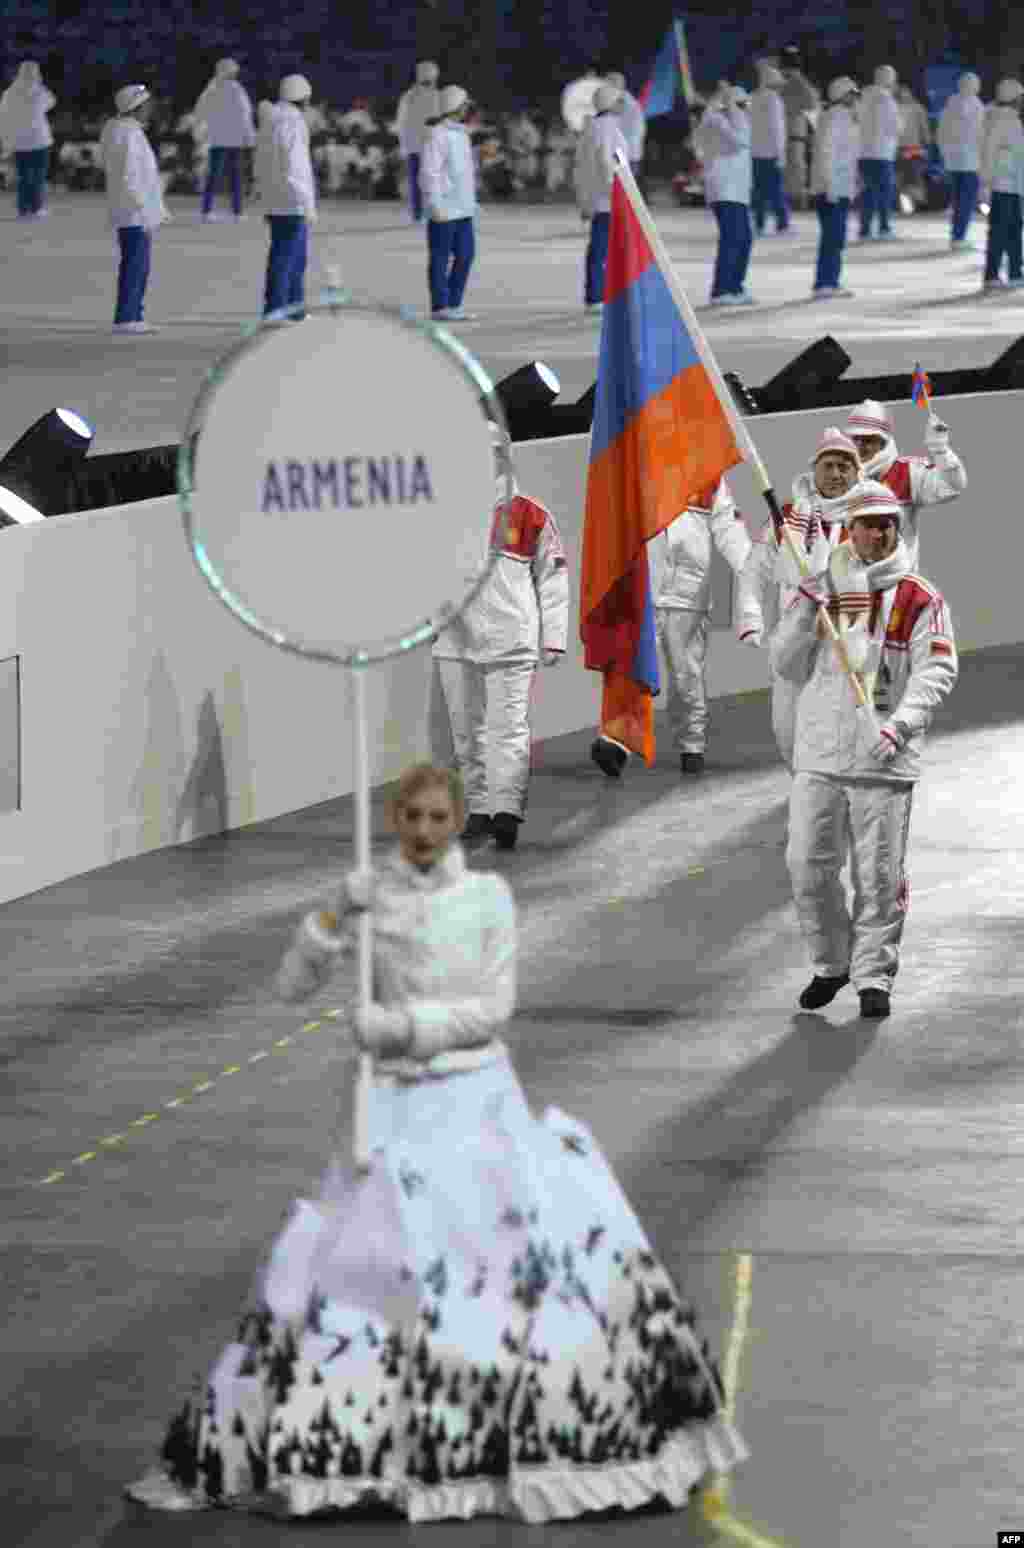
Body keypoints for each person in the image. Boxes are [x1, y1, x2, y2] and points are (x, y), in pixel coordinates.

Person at [125, 759, 748, 1519]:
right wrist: (328, 921)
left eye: (437, 819)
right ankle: (362, 1444)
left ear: (456, 823)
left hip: (478, 1103)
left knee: (494, 1279)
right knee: (369, 1280)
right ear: (395, 819)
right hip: (391, 1111)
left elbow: (493, 1008)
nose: (423, 832)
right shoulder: (369, 897)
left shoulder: (488, 898)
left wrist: (398, 1028)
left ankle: (493, 1443)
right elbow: (290, 987)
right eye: (411, 818)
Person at [771, 481, 958, 1020]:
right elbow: (784, 665)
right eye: (866, 523)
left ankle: (874, 973)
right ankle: (832, 963)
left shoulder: (920, 596)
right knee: (806, 864)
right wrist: (804, 615)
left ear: (897, 529)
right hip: (821, 756)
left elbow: (937, 669)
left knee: (877, 875)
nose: (876, 533)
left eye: (886, 523)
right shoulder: (821, 586)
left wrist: (900, 726)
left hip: (882, 757)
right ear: (847, 528)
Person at [432, 430, 569, 850]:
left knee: (508, 729)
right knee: (465, 731)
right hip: (455, 639)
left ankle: (506, 809)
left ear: (504, 456)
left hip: (512, 637)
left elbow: (554, 576)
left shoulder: (531, 513)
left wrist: (554, 637)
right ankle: (477, 808)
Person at [735, 427, 863, 769]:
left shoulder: (871, 518)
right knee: (789, 733)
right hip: (792, 643)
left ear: (857, 471)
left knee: (845, 733)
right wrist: (750, 616)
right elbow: (754, 571)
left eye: (844, 466)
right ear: (815, 470)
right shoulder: (787, 517)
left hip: (845, 644)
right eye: (829, 466)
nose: (836, 474)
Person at [646, 476, 751, 775]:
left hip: (689, 592)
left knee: (686, 676)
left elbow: (728, 526)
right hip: (644, 586)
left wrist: (747, 565)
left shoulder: (710, 473)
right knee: (631, 669)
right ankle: (619, 740)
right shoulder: (639, 461)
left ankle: (691, 744)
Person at [843, 399, 967, 568]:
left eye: (868, 440)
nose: (859, 446)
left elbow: (951, 486)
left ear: (884, 441)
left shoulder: (906, 472)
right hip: (849, 585)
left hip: (897, 585)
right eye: (855, 439)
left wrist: (940, 450)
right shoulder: (837, 476)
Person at [99, 83, 169, 335]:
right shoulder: (128, 134)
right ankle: (129, 316)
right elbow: (131, 176)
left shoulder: (119, 130)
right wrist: (144, 206)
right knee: (136, 264)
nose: (150, 109)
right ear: (136, 107)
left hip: (130, 208)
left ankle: (131, 314)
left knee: (135, 262)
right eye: (146, 105)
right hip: (134, 211)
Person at [261, 74, 317, 321]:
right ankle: (277, 310)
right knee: (287, 258)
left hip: (277, 199)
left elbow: (260, 161)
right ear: (302, 98)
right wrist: (306, 203)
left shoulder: (271, 121)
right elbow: (296, 168)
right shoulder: (292, 123)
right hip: (291, 201)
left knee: (291, 257)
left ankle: (294, 309)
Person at [421, 85, 478, 322]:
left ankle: (454, 303)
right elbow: (429, 172)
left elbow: (463, 173)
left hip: (463, 208)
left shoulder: (462, 133)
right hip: (443, 208)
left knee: (466, 255)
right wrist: (434, 203)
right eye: (465, 105)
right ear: (456, 107)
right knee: (440, 258)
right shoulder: (437, 135)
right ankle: (440, 306)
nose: (468, 109)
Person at [696, 82, 754, 306]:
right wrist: (732, 111)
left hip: (737, 190)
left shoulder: (729, 122)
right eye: (742, 104)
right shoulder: (718, 122)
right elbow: (740, 142)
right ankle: (722, 290)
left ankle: (735, 286)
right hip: (724, 189)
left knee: (744, 238)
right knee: (732, 239)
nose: (745, 108)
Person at [573, 82, 628, 314]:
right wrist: (616, 189)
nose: (623, 105)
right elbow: (607, 162)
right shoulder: (606, 127)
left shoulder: (595, 126)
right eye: (619, 101)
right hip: (608, 199)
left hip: (600, 198)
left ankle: (597, 294)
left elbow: (582, 167)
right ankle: (597, 296)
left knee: (601, 247)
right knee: (603, 248)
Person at [810, 76, 860, 299]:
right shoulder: (837, 118)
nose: (855, 98)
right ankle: (826, 283)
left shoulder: (837, 117)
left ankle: (828, 281)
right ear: (843, 95)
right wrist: (830, 185)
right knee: (833, 237)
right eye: (852, 94)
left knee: (834, 237)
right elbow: (827, 153)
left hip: (834, 186)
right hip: (833, 188)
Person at [193, 57, 255, 221]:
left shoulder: (211, 89)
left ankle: (206, 211)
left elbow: (200, 111)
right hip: (234, 138)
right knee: (236, 176)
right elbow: (245, 113)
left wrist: (200, 133)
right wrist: (249, 136)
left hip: (217, 138)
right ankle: (237, 212)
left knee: (213, 175)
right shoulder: (236, 89)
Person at [979, 78, 1024, 292]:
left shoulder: (1014, 119)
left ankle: (1015, 272)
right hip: (1003, 184)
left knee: (1014, 229)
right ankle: (992, 275)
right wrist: (987, 181)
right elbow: (989, 151)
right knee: (1000, 231)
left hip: (1013, 185)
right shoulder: (1000, 119)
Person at [0, 60, 56, 218]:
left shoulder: (9, 93)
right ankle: (37, 208)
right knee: (38, 176)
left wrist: (6, 142)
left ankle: (23, 209)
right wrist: (40, 84)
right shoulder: (39, 91)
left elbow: (3, 118)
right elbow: (52, 102)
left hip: (20, 142)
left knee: (23, 176)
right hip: (39, 140)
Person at [937, 71, 985, 250]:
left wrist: (945, 155)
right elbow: (982, 135)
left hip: (954, 161)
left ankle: (956, 235)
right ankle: (959, 237)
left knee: (959, 199)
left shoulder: (949, 106)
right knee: (966, 200)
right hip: (970, 161)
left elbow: (941, 134)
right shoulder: (977, 107)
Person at [857, 65, 901, 239]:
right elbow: (893, 127)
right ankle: (884, 227)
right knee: (884, 191)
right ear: (888, 79)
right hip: (882, 152)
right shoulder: (886, 99)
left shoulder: (862, 96)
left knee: (867, 191)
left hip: (863, 151)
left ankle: (865, 229)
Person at [396, 61, 440, 222]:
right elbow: (402, 122)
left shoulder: (413, 96)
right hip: (421, 144)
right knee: (424, 180)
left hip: (423, 144)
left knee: (423, 180)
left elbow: (401, 122)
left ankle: (422, 212)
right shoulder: (414, 97)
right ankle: (422, 212)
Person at [749, 62, 788, 235]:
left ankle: (759, 224)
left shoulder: (752, 98)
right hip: (772, 152)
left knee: (758, 191)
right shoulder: (774, 100)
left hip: (754, 152)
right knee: (776, 190)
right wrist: (781, 153)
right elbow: (777, 128)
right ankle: (782, 224)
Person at [779, 45, 819, 208]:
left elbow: (812, 103)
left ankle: (795, 202)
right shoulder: (781, 84)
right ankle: (789, 202)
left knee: (794, 169)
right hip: (785, 137)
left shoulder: (799, 84)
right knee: (790, 170)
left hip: (794, 136)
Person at [603, 71, 645, 178]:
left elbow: (634, 133)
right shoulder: (613, 103)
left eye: (607, 86)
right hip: (622, 155)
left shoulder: (628, 105)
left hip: (625, 156)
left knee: (620, 191)